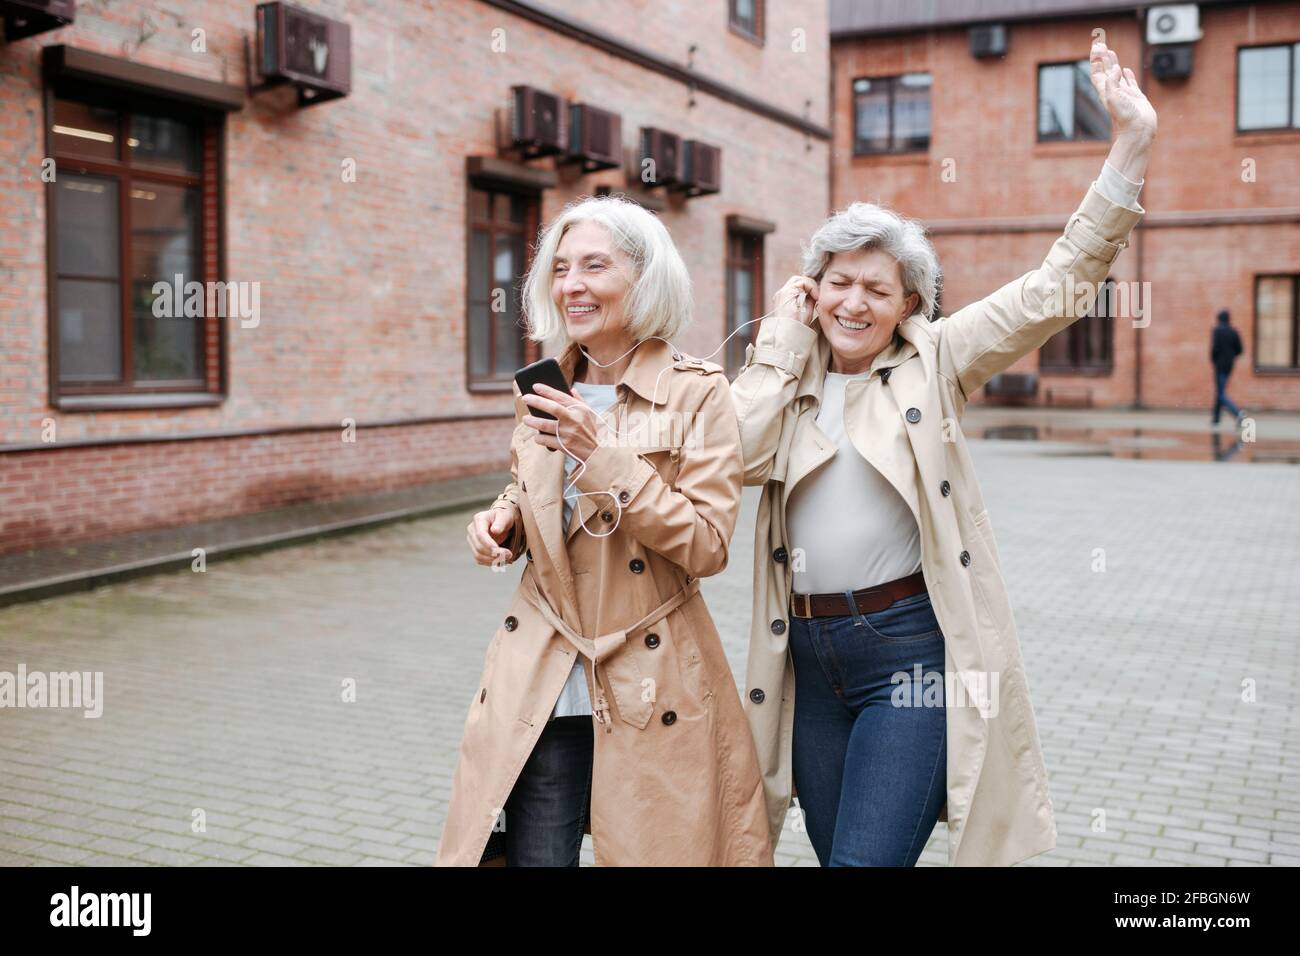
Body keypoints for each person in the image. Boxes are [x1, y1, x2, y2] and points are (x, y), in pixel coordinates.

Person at [731, 37, 1155, 866]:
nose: (854, 302)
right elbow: (733, 454)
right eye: (838, 282)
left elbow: (1058, 284)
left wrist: (1130, 144)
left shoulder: (938, 356)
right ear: (813, 290)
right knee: (832, 852)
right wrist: (780, 339)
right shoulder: (782, 372)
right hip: (806, 662)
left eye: (876, 289)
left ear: (908, 304)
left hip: (909, 656)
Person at [437, 195, 772, 866]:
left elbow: (706, 544)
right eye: (561, 269)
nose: (571, 285)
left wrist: (600, 456)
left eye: (594, 265)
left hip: (653, 676)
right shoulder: (547, 385)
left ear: (644, 278)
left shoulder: (699, 393)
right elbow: (533, 490)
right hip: (546, 675)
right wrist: (503, 524)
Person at [1211, 308, 1246, 425]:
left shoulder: (1217, 331)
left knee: (1221, 393)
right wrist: (1231, 356)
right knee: (1220, 390)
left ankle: (1238, 413)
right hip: (1229, 366)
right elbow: (1240, 349)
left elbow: (1214, 349)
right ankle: (1216, 418)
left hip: (1220, 365)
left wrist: (1214, 360)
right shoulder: (1234, 332)